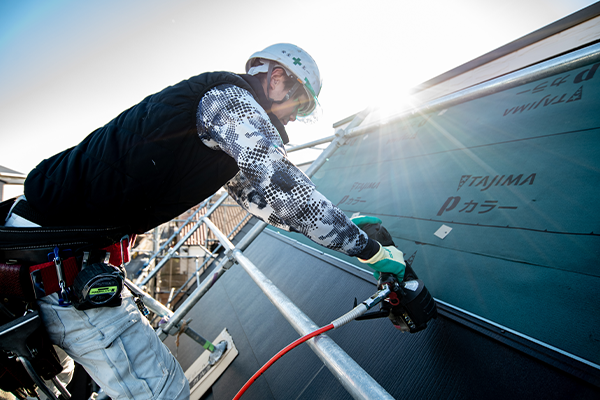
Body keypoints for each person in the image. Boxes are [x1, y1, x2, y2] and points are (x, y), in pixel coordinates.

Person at [3, 43, 405, 399]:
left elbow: (265, 201)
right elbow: (281, 185)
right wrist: (367, 250)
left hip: (48, 244)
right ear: (278, 75)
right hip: (57, 259)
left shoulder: (216, 115)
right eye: (299, 102)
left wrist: (346, 226)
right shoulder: (229, 100)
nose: (296, 117)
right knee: (163, 392)